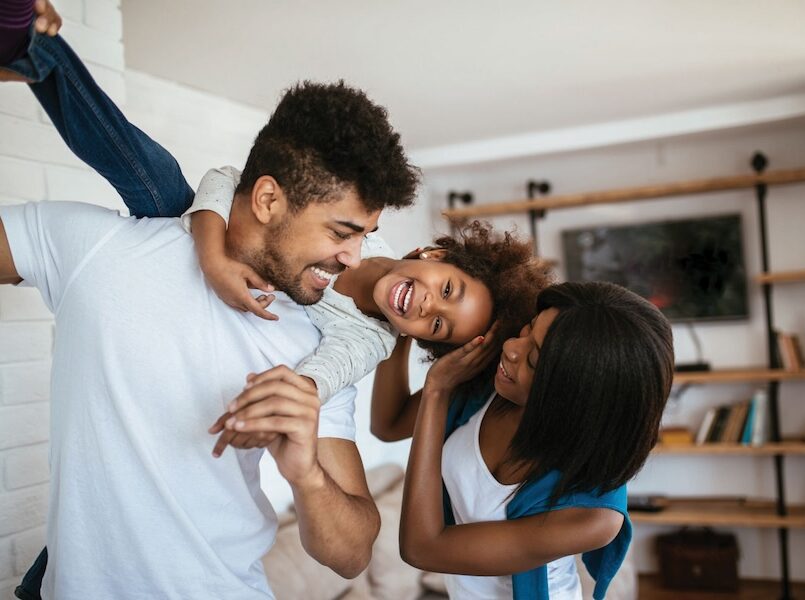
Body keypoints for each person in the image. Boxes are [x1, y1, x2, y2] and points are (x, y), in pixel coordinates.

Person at [0, 6, 426, 600]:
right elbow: (216, 184)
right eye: (341, 232)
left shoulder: (315, 349)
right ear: (270, 200)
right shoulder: (104, 247)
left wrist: (303, 471)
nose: (355, 258)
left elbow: (352, 554)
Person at [372, 281, 674, 599]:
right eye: (528, 329)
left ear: (576, 396)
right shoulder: (492, 387)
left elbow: (422, 549)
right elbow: (388, 424)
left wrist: (437, 391)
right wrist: (397, 322)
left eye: (533, 360)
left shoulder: (594, 516)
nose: (512, 348)